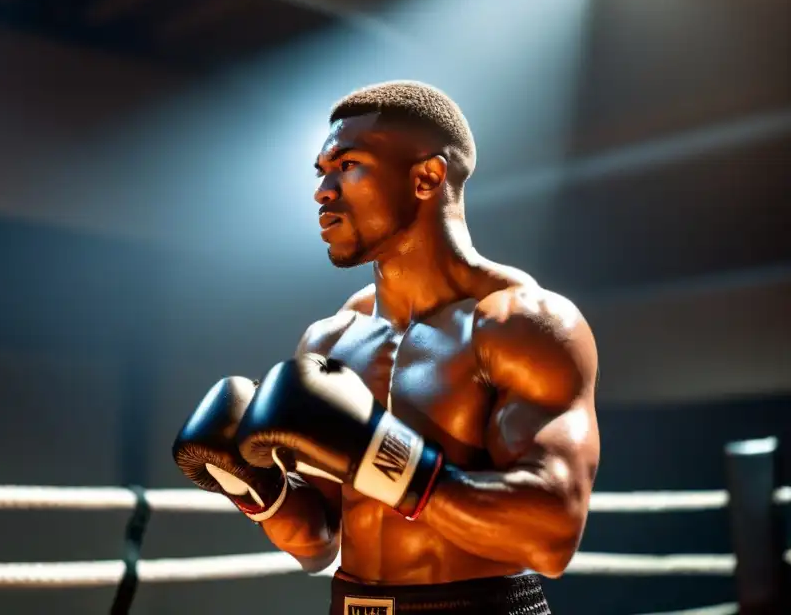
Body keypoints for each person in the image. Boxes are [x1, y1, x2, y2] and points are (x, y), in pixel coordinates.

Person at [173, 81, 600, 614]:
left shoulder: (521, 324)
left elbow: (552, 535)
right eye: (321, 170)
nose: (323, 190)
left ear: (427, 176)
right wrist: (257, 491)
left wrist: (378, 452)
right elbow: (318, 541)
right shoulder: (330, 338)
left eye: (348, 164)